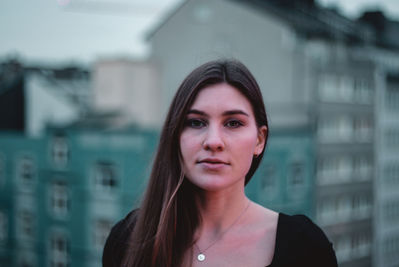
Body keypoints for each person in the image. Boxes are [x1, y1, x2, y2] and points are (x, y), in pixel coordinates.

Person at [102, 59, 338, 267]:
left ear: (259, 140)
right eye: (196, 122)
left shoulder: (305, 248)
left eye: (233, 123)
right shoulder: (128, 239)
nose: (213, 141)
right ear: (175, 138)